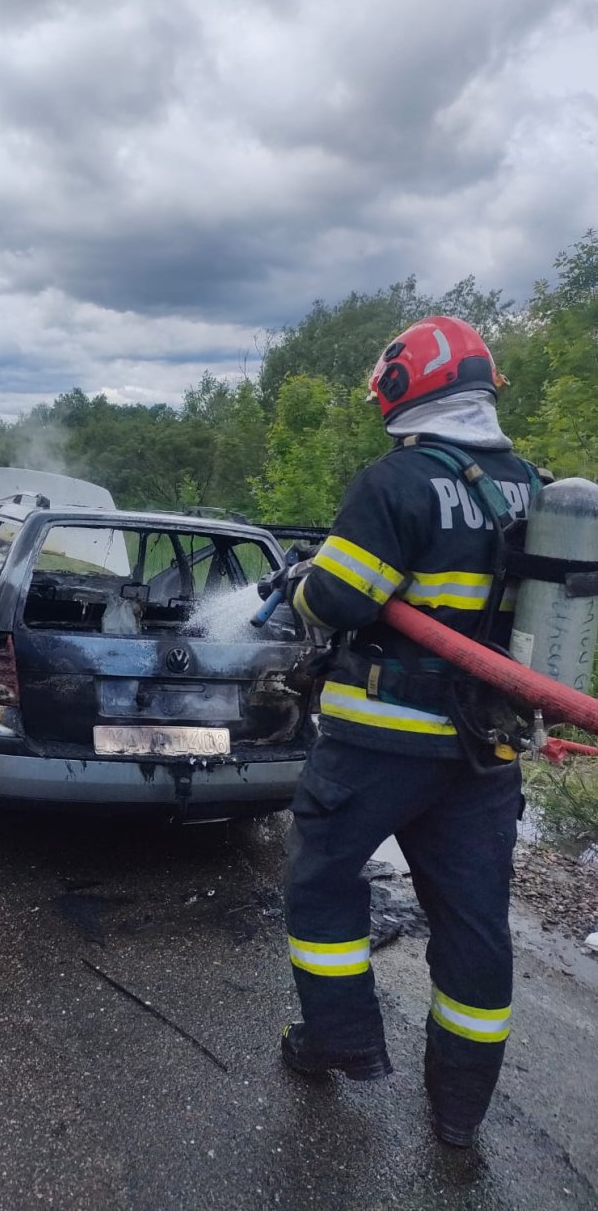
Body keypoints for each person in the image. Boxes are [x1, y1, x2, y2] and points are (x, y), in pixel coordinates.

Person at [269, 316, 542, 1147]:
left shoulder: (398, 479)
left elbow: (342, 601)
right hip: (484, 747)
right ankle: (459, 1113)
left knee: (322, 882)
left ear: (403, 384)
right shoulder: (535, 484)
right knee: (472, 924)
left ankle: (341, 1039)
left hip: (382, 738)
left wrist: (302, 585)